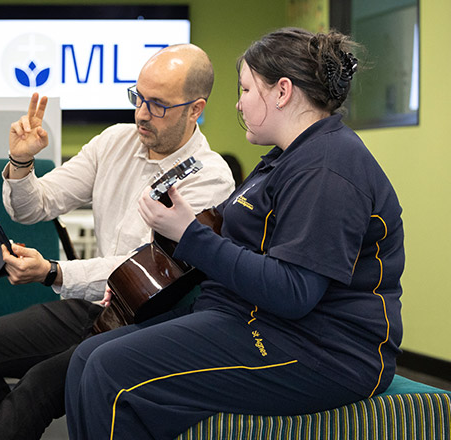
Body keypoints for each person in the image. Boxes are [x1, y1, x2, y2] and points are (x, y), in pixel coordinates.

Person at [64, 28, 405, 439]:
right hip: (251, 318)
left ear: (282, 92)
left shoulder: (327, 168)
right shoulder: (283, 160)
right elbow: (220, 240)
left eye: (245, 89)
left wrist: (190, 233)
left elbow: (294, 292)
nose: (238, 102)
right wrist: (132, 286)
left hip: (322, 351)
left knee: (109, 371)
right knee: (87, 356)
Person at [0, 44, 235, 439]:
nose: (141, 114)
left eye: (157, 105)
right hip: (94, 306)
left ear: (195, 109)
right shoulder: (115, 141)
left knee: (37, 386)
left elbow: (141, 268)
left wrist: (52, 272)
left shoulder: (211, 179)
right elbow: (34, 206)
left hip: (148, 323)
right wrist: (22, 162)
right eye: (138, 97)